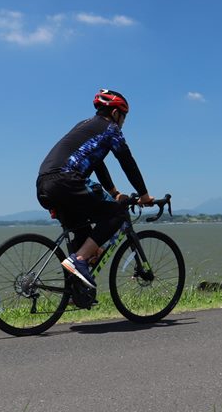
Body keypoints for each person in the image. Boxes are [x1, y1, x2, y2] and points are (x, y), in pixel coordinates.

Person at [36, 89, 156, 305]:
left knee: (85, 237)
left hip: (45, 184)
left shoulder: (85, 125)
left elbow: (97, 161)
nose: (124, 122)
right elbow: (127, 162)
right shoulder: (110, 130)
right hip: (67, 181)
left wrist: (114, 192)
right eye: (124, 116)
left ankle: (77, 293)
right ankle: (79, 260)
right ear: (116, 113)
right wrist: (145, 195)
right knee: (117, 214)